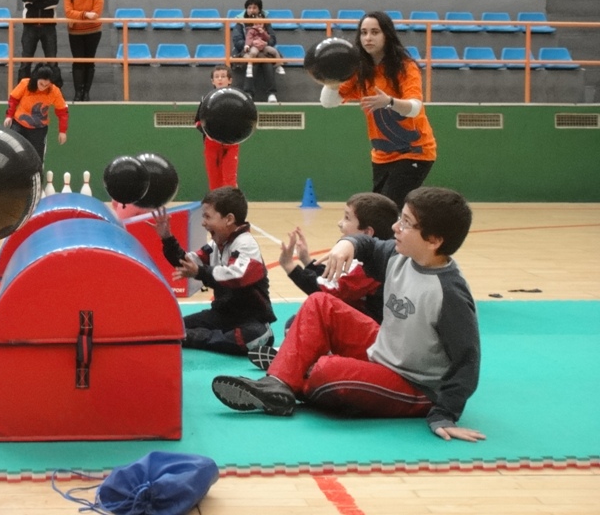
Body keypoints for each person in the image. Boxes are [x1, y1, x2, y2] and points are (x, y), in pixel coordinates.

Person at [211, 187, 485, 444]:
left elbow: (467, 359)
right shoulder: (399, 256)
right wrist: (348, 244)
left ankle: (297, 369)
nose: (394, 228)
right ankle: (279, 382)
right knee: (321, 303)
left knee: (327, 371)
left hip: (414, 384)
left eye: (405, 223)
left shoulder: (449, 293)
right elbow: (367, 243)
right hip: (383, 350)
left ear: (434, 240)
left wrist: (444, 413)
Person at [249, 192, 399, 370]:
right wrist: (307, 261)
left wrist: (290, 267)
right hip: (365, 324)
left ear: (367, 233)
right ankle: (307, 356)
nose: (339, 223)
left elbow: (328, 291)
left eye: (346, 218)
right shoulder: (372, 258)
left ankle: (314, 360)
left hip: (373, 336)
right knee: (296, 322)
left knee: (301, 324)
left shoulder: (370, 269)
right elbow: (338, 281)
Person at [318, 11, 437, 210]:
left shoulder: (405, 67)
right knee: (379, 212)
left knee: (387, 211)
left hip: (415, 152)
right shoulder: (360, 70)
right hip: (381, 155)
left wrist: (389, 101)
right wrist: (331, 79)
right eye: (364, 33)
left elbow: (415, 108)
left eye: (374, 32)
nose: (368, 38)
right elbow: (328, 102)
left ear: (387, 35)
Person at [150, 186, 276, 356]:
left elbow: (237, 277)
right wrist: (167, 239)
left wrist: (200, 273)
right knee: (176, 326)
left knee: (250, 335)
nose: (203, 222)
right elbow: (188, 262)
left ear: (229, 219)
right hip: (222, 315)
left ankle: (197, 337)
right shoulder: (216, 245)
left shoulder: (246, 244)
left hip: (250, 320)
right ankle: (199, 336)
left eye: (207, 217)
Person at [3, 63, 68, 165]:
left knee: (37, 158)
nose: (43, 87)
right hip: (19, 124)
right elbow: (13, 100)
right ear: (36, 79)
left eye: (47, 85)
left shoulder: (54, 91)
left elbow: (62, 112)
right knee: (13, 153)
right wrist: (9, 116)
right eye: (41, 84)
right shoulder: (25, 84)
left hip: (39, 129)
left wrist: (62, 131)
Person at [17, 0, 62, 85]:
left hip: (48, 27)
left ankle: (56, 91)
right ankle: (22, 90)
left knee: (52, 61)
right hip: (30, 27)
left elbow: (54, 0)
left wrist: (34, 1)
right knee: (25, 62)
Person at [63, 0, 104, 102]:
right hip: (75, 33)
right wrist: (86, 14)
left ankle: (86, 93)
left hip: (93, 31)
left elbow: (97, 12)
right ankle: (78, 92)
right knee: (78, 62)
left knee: (89, 62)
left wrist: (78, 16)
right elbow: (68, 12)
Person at [195, 65, 240, 190]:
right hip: (211, 145)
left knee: (229, 179)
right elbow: (197, 122)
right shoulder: (206, 99)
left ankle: (231, 206)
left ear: (229, 80)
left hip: (231, 145)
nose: (220, 79)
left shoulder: (236, 99)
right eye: (217, 77)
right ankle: (217, 207)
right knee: (214, 181)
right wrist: (208, 133)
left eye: (223, 76)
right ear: (212, 81)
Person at [231, 0, 279, 103]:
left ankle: (271, 94)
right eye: (249, 7)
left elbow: (273, 39)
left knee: (267, 62)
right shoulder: (240, 23)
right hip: (246, 51)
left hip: (263, 50)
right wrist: (252, 44)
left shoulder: (265, 23)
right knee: (254, 62)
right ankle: (248, 93)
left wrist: (265, 43)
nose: (252, 10)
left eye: (254, 7)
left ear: (259, 10)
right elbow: (237, 41)